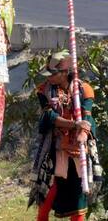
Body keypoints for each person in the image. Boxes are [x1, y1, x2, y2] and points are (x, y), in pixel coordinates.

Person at [29, 50, 95, 221]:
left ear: (65, 73)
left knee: (79, 190)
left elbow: (87, 116)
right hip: (54, 147)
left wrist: (84, 131)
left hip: (79, 147)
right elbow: (50, 117)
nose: (49, 77)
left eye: (53, 73)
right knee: (50, 187)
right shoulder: (43, 90)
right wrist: (74, 124)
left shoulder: (84, 90)